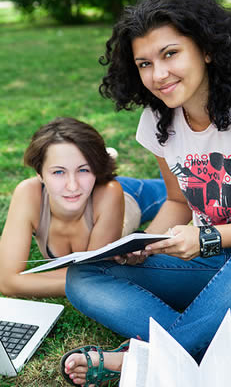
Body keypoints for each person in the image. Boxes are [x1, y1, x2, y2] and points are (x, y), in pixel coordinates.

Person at [61, 0, 231, 386]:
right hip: (216, 267)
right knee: (83, 277)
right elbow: (177, 200)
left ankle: (145, 362)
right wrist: (144, 245)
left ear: (207, 49)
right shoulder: (159, 118)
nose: (158, 75)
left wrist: (208, 238)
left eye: (170, 54)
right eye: (144, 63)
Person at [0, 117, 166, 298]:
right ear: (40, 174)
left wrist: (25, 282)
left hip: (126, 195)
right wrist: (92, 281)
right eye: (58, 172)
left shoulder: (110, 192)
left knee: (180, 187)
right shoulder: (29, 193)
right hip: (86, 192)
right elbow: (6, 282)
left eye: (83, 169)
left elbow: (94, 277)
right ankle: (94, 162)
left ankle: (101, 163)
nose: (72, 185)